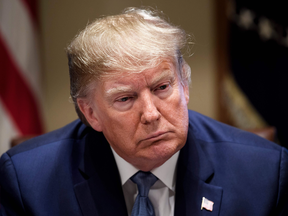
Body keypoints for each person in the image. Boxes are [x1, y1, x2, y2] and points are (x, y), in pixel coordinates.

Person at [0, 7, 287, 216]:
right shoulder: (28, 182)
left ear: (184, 86)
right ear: (90, 113)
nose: (151, 114)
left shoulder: (264, 172)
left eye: (162, 87)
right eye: (125, 99)